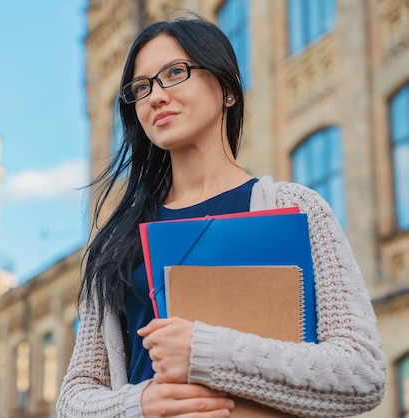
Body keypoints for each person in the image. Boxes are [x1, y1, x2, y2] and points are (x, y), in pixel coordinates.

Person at [57, 13, 386, 418]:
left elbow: (362, 374)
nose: (156, 96)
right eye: (141, 87)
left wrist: (203, 350)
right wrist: (139, 404)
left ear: (227, 88)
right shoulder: (115, 241)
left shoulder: (295, 208)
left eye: (175, 73)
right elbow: (74, 398)